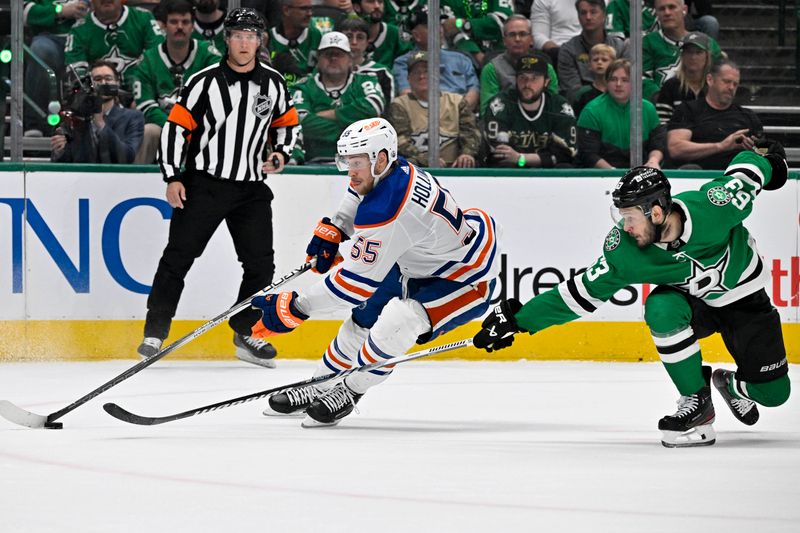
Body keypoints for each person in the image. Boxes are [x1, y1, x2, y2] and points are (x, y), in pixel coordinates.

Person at [472, 145, 791, 448]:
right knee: (660, 307)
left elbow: (747, 172)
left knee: (775, 394)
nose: (625, 227)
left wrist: (772, 163)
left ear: (655, 212)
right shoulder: (626, 252)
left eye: (630, 218)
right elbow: (579, 293)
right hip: (691, 303)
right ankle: (696, 400)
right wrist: (518, 320)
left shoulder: (714, 205)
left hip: (745, 301)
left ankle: (731, 385)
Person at [249, 117, 501, 427]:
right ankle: (320, 384)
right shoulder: (390, 171)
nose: (349, 171)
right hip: (420, 260)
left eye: (356, 162)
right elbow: (358, 191)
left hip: (463, 279)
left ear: (381, 159)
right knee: (364, 316)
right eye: (347, 162)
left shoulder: (390, 210)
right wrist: (337, 225)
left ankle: (349, 390)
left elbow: (353, 285)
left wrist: (296, 307)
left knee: (400, 320)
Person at [137, 8, 300, 368]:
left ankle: (245, 331)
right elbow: (176, 129)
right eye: (238, 35)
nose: (244, 43)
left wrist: (281, 154)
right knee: (177, 259)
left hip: (250, 189)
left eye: (251, 36)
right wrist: (173, 177)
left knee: (261, 265)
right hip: (204, 184)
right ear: (226, 39)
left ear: (260, 42)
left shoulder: (273, 83)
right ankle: (155, 332)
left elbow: (288, 124)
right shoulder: (203, 81)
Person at [129, 0, 222, 164]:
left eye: (185, 22)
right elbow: (146, 106)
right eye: (173, 22)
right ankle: (136, 182)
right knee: (148, 131)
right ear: (164, 26)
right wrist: (174, 128)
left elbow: (219, 98)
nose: (180, 27)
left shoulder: (209, 56)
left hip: (199, 127)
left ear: (192, 26)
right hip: (162, 127)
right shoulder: (148, 61)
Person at [291, 31, 385, 162]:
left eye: (339, 54)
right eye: (328, 54)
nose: (333, 58)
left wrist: (329, 114)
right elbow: (300, 122)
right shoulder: (302, 87)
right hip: (314, 163)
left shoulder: (364, 81)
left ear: (350, 60)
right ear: (318, 59)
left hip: (361, 162)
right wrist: (353, 133)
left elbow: (374, 107)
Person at [387, 51, 479, 168]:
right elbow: (400, 140)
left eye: (426, 71)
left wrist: (467, 154)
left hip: (454, 167)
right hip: (417, 168)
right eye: (416, 73)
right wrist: (424, 159)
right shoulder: (399, 105)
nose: (421, 76)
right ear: (408, 78)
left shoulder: (457, 102)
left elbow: (470, 133)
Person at [667, 59, 763, 170]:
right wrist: (721, 146)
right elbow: (676, 149)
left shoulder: (748, 116)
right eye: (726, 81)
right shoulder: (688, 110)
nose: (731, 87)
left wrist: (754, 149)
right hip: (697, 177)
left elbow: (765, 153)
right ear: (710, 79)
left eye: (735, 84)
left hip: (738, 177)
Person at [484, 54, 577, 168]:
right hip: (513, 170)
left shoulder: (560, 106)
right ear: (515, 80)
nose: (527, 84)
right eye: (522, 77)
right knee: (504, 165)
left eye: (534, 78)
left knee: (564, 168)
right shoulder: (500, 104)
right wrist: (525, 161)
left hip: (548, 171)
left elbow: (566, 153)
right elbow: (500, 151)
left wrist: (521, 158)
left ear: (546, 81)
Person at [577, 59, 665, 168]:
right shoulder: (591, 111)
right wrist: (613, 173)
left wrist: (653, 161)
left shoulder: (648, 108)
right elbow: (588, 154)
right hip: (603, 174)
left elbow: (657, 144)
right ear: (606, 82)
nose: (618, 84)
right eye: (613, 79)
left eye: (625, 80)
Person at [51, 60, 144, 163]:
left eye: (108, 78)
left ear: (118, 83)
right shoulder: (76, 118)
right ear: (89, 84)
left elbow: (127, 157)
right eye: (98, 79)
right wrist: (60, 151)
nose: (103, 83)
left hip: (116, 177)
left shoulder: (133, 117)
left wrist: (101, 125)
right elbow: (63, 162)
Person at [23, 0, 90, 137]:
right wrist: (61, 10)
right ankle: (35, 123)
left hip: (89, 36)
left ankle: (101, 122)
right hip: (51, 38)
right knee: (41, 50)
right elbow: (25, 12)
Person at [393, 9, 479, 111]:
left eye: (439, 24)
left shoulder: (461, 59)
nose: (439, 30)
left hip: (460, 118)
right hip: (423, 119)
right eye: (431, 26)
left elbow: (474, 91)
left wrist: (455, 113)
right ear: (417, 35)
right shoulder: (403, 63)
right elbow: (406, 95)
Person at [64, 0, 164, 87]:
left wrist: (140, 86)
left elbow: (157, 56)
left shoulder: (144, 18)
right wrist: (93, 87)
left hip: (141, 89)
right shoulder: (79, 29)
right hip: (99, 96)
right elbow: (76, 70)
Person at [479, 15, 559, 118]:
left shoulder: (546, 69)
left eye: (523, 34)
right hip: (505, 124)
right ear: (504, 40)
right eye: (512, 35)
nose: (517, 39)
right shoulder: (491, 69)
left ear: (531, 39)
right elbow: (487, 111)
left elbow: (555, 105)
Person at [642, 0, 721, 100]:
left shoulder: (708, 43)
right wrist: (663, 99)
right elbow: (642, 79)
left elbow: (721, 77)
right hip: (661, 109)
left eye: (672, 7)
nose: (667, 13)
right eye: (662, 9)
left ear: (684, 9)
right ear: (656, 14)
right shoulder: (647, 43)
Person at [558, 0, 628, 105]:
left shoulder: (620, 46)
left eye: (593, 12)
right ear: (578, 16)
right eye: (583, 13)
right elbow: (573, 92)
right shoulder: (568, 50)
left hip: (617, 104)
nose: (588, 17)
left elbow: (627, 82)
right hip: (583, 106)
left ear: (604, 15)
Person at [655, 31, 712, 124]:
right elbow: (663, 124)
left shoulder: (714, 86)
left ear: (707, 56)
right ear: (682, 55)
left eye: (698, 52)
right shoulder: (670, 86)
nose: (693, 57)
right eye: (689, 52)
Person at [337, 16, 395, 105]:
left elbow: (387, 109)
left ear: (368, 42)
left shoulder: (382, 72)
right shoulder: (329, 69)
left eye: (360, 37)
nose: (354, 42)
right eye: (349, 37)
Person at [441, 0, 513, 66]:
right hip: (466, 60)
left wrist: (467, 24)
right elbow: (450, 29)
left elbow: (504, 23)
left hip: (503, 55)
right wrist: (476, 54)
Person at [352, 0, 413, 68]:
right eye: (370, 2)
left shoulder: (395, 33)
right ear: (357, 7)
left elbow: (406, 65)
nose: (377, 6)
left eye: (380, 2)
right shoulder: (347, 34)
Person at [268, 0, 323, 75]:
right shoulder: (269, 38)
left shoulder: (315, 35)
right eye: (304, 8)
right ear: (286, 10)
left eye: (311, 9)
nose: (310, 13)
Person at [529, 0, 581, 65]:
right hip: (557, 54)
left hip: (590, 50)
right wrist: (563, 53)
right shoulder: (543, 1)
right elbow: (538, 36)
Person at [572, 43, 615, 118]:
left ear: (613, 64)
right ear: (589, 65)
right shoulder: (582, 94)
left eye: (604, 60)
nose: (599, 62)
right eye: (595, 60)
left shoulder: (619, 90)